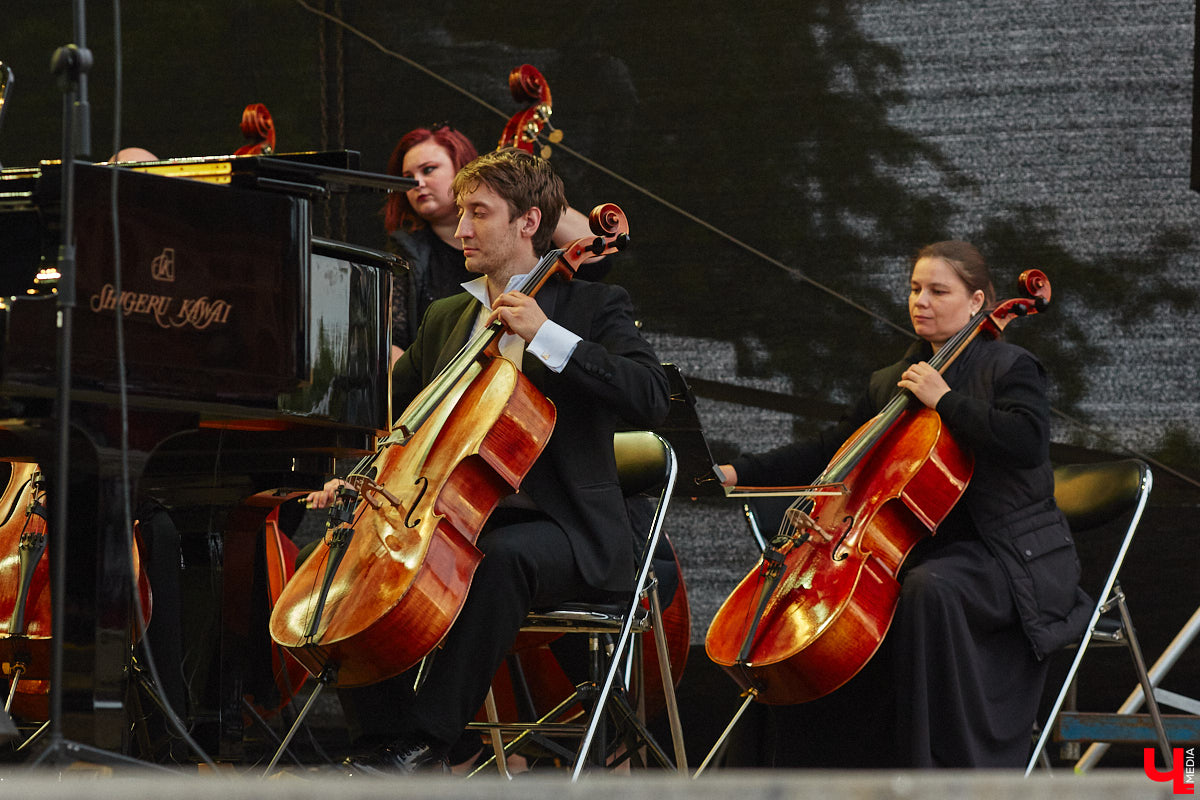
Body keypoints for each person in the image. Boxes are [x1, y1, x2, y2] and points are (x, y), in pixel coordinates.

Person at [308, 147, 670, 773]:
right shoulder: (449, 316)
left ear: (530, 222)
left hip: (568, 532)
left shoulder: (591, 307)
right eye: (464, 213)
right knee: (356, 557)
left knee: (497, 560)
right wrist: (362, 479)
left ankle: (424, 746)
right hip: (458, 519)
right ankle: (379, 745)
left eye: (480, 213)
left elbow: (651, 398)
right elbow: (406, 421)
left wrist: (548, 337)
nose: (464, 228)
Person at [715, 241, 1090, 768]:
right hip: (916, 548)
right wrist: (739, 472)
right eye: (915, 289)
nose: (921, 301)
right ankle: (811, 768)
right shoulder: (891, 381)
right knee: (824, 615)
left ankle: (928, 767)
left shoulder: (1010, 366)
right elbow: (829, 453)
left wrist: (947, 401)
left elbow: (1027, 442)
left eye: (938, 291)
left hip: (1002, 555)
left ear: (978, 300)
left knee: (926, 591)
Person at [384, 124, 607, 363]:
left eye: (429, 170)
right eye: (408, 178)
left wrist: (523, 187)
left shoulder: (594, 301)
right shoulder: (431, 298)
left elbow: (595, 254)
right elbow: (392, 342)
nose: (417, 183)